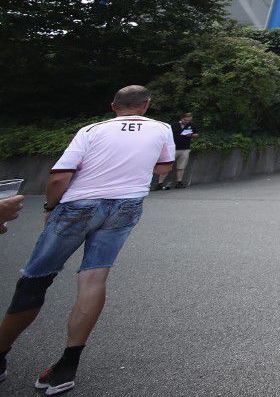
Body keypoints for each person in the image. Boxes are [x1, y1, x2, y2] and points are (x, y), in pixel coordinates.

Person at [0, 86, 174, 394]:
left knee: (36, 279)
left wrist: (50, 208)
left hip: (79, 205)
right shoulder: (162, 129)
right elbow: (163, 167)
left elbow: (59, 176)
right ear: (146, 104)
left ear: (113, 106)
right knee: (94, 279)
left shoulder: (91, 130)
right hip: (127, 204)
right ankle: (66, 367)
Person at [155, 111, 199, 190]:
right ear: (182, 118)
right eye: (186, 120)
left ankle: (179, 182)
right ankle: (159, 183)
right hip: (173, 148)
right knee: (167, 165)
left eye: (189, 120)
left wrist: (191, 135)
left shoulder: (191, 125)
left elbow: (196, 134)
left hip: (185, 148)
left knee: (181, 166)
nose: (187, 122)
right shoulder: (174, 125)